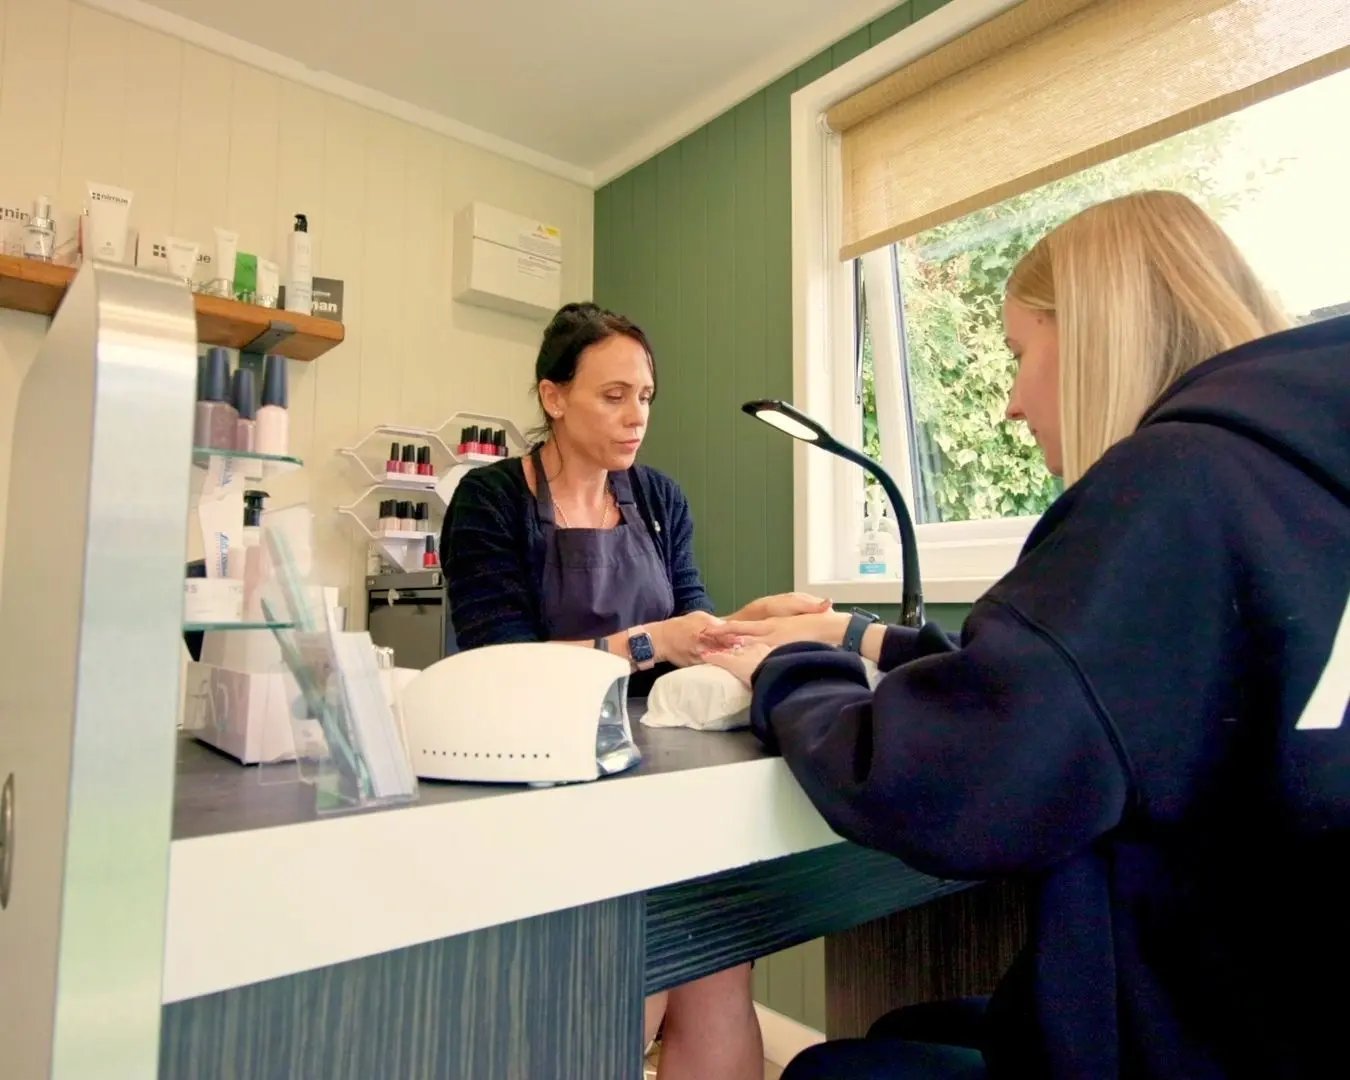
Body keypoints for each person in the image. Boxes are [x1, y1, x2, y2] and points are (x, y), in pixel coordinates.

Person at [702, 191, 1350, 1078]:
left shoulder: (1171, 487)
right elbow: (1101, 691)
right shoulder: (1293, 484)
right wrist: (856, 634)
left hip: (1186, 1036)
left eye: (1018, 353)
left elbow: (939, 786)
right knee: (910, 1025)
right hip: (1267, 1012)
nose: (1010, 403)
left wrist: (789, 668)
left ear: (1091, 337)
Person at [442, 301, 827, 1080]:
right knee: (620, 989)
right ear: (554, 396)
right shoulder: (492, 502)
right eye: (613, 396)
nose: (635, 417)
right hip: (539, 778)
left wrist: (751, 625)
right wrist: (649, 641)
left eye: (645, 397)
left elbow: (690, 631)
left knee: (717, 963)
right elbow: (499, 664)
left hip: (655, 768)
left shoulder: (657, 499)